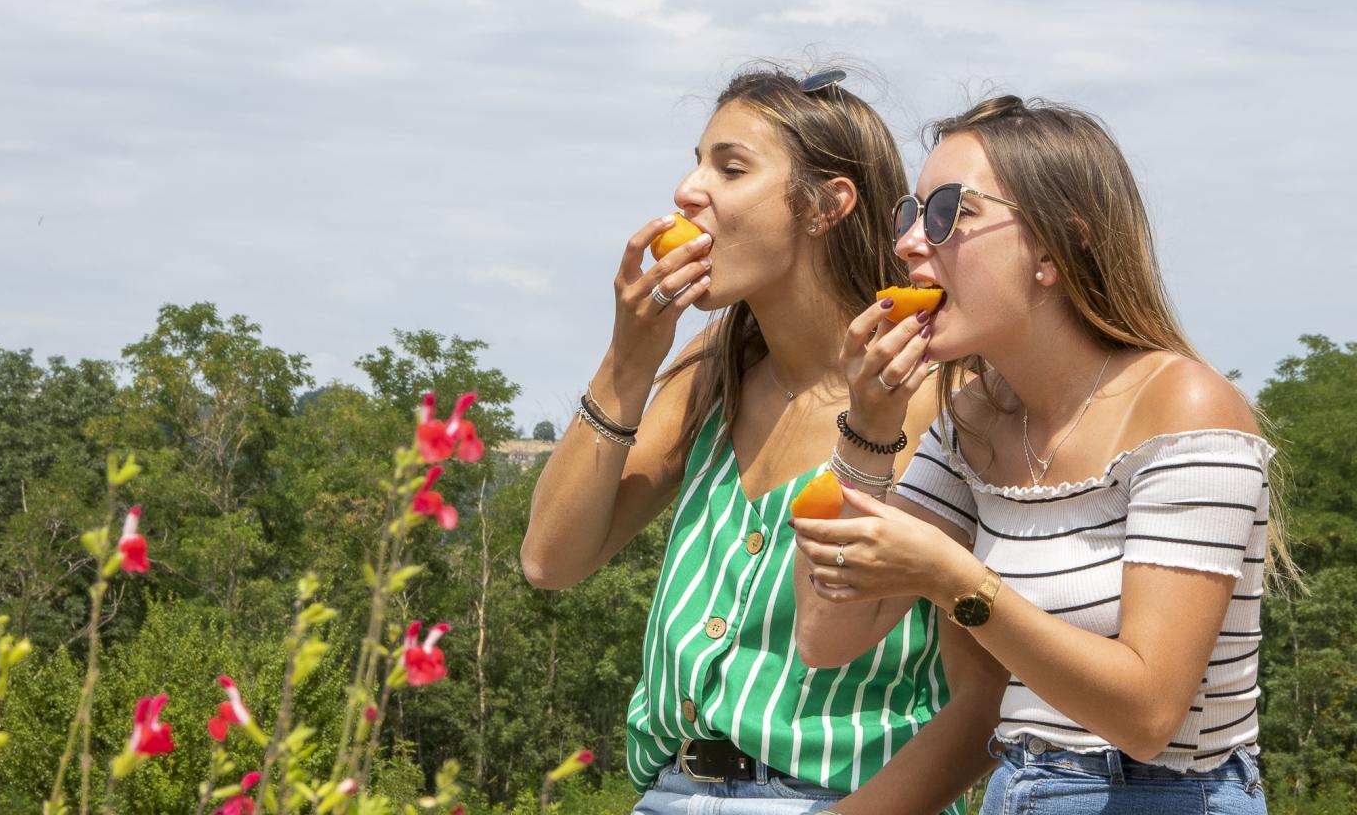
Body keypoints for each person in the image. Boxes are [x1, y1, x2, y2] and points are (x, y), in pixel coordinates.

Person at [523, 67, 1001, 814]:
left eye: (730, 167)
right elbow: (551, 559)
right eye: (698, 160)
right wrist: (628, 362)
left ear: (826, 206)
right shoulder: (710, 367)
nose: (688, 190)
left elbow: (983, 699)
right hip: (667, 793)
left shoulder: (945, 397)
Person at [791, 95, 1278, 813]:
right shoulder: (974, 422)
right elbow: (827, 635)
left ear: (1057, 245)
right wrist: (868, 424)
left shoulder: (1185, 408)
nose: (908, 245)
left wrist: (956, 581)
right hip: (1019, 787)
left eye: (949, 212)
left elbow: (1148, 716)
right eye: (908, 214)